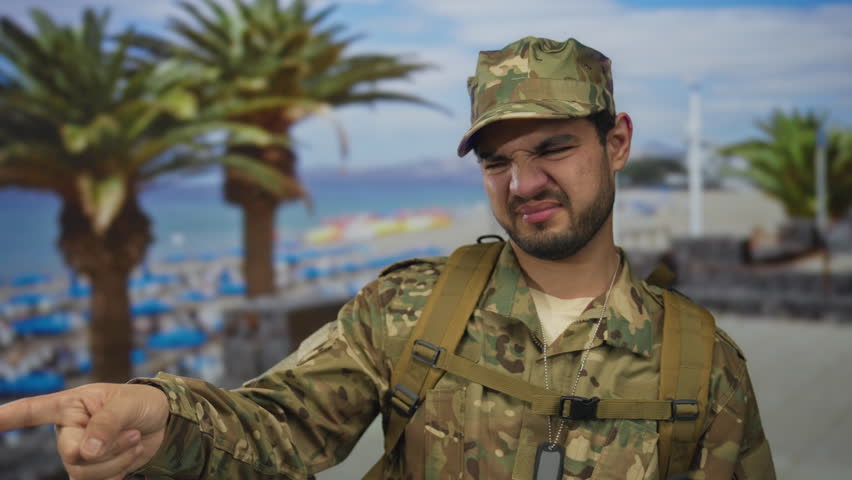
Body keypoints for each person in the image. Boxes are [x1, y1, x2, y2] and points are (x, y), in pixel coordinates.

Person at [0, 36, 775, 480]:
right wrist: (163, 420)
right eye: (497, 161)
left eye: (553, 149)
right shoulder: (411, 309)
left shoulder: (701, 364)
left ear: (617, 142)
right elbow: (277, 429)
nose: (523, 182)